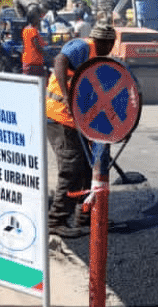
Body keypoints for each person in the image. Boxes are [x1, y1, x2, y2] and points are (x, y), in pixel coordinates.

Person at [46, 18, 116, 237]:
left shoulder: (98, 57)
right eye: (111, 44)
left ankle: (85, 215)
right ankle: (56, 219)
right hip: (60, 116)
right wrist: (67, 97)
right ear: (106, 42)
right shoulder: (82, 47)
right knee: (71, 167)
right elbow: (59, 61)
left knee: (87, 167)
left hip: (77, 119)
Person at [21, 8, 47, 82]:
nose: (39, 19)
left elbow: (24, 46)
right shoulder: (33, 31)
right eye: (37, 17)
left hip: (26, 62)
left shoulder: (25, 29)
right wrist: (46, 54)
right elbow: (38, 46)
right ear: (33, 19)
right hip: (34, 62)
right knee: (41, 83)